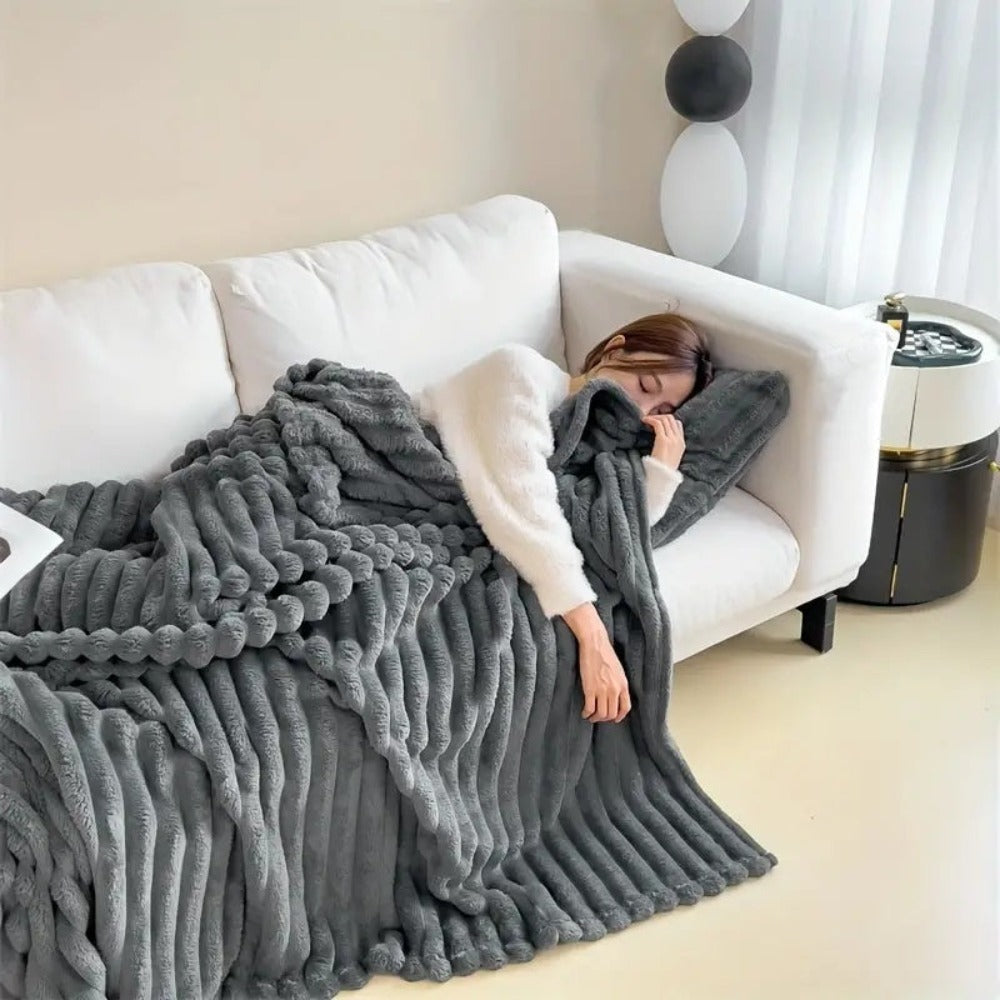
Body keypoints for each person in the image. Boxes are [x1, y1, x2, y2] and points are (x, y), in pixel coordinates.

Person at [416, 313, 714, 726]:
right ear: (615, 348)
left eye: (660, 409)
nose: (637, 408)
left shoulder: (595, 444)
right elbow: (523, 502)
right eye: (645, 385)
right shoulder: (519, 370)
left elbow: (615, 533)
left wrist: (661, 473)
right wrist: (593, 637)